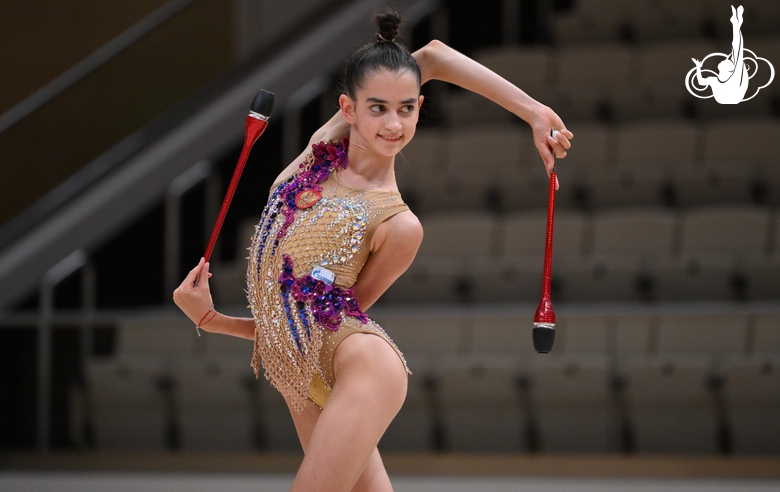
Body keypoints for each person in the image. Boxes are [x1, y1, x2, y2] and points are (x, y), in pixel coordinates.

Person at [174, 10, 573, 492]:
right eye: (378, 107)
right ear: (348, 108)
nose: (394, 123)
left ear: (420, 107)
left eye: (407, 108)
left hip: (362, 370)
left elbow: (331, 320)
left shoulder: (399, 225)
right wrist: (211, 321)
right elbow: (289, 324)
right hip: (298, 376)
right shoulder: (317, 153)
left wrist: (533, 111)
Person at [692, 5, 748, 104]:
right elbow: (737, 50)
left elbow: (737, 49)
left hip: (732, 95)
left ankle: (734, 24)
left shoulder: (730, 78)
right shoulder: (718, 80)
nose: (725, 59)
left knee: (736, 50)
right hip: (731, 96)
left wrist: (698, 68)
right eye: (729, 60)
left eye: (727, 61)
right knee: (736, 51)